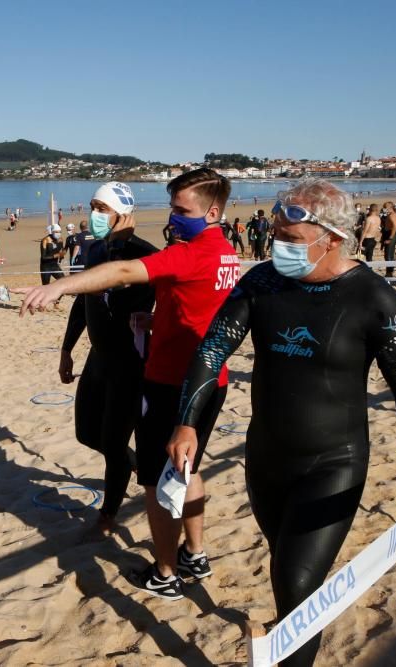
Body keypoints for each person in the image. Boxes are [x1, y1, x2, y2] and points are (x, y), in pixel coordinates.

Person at [168, 180, 396, 666]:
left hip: (333, 462)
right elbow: (212, 349)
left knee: (294, 586)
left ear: (332, 238)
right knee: (287, 571)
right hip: (266, 458)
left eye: (291, 240)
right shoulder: (263, 282)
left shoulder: (377, 301)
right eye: (276, 236)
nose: (278, 248)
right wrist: (186, 423)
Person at [15, 168, 239, 600]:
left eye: (181, 209)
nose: (173, 217)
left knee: (156, 481)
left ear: (212, 212)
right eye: (172, 207)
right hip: (209, 378)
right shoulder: (224, 252)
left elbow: (121, 272)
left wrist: (60, 286)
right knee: (187, 469)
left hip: (173, 382)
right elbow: (204, 309)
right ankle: (195, 553)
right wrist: (159, 320)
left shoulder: (193, 252)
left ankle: (166, 572)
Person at [60, 182, 157, 536]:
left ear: (124, 213)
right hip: (97, 358)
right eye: (93, 206)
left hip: (130, 363)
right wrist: (67, 348)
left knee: (114, 442)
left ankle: (108, 515)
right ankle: (130, 462)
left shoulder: (145, 254)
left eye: (102, 208)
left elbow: (178, 305)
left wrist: (157, 326)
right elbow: (81, 301)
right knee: (87, 434)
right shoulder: (95, 250)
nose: (94, 214)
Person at [39, 224, 65, 291]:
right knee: (45, 287)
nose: (58, 233)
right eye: (56, 232)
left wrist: (61, 257)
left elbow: (61, 252)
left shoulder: (60, 239)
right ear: (52, 232)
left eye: (60, 232)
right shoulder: (45, 240)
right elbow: (43, 257)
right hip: (45, 267)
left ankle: (57, 299)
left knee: (64, 282)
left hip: (55, 266)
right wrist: (56, 255)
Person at [380, 201, 396, 276]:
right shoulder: (391, 214)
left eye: (385, 207)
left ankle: (389, 272)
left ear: (390, 207)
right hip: (390, 234)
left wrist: (390, 238)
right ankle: (389, 272)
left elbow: (395, 227)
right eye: (384, 207)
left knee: (388, 255)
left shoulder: (392, 215)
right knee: (389, 255)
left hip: (391, 235)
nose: (384, 209)